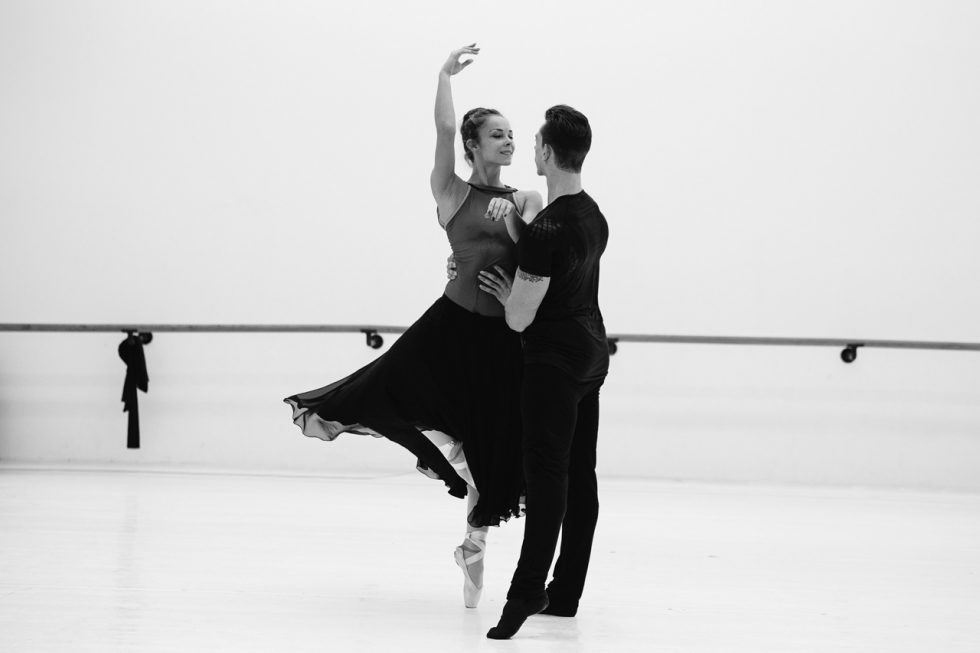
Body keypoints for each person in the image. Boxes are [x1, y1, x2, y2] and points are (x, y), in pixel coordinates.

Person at [283, 44, 542, 609]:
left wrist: (513, 226)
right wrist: (444, 75)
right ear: (473, 145)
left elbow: (536, 257)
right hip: (448, 330)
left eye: (511, 135)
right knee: (381, 395)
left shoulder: (527, 197)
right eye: (497, 135)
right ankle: (464, 502)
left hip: (501, 341)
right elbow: (443, 128)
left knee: (493, 443)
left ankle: (473, 545)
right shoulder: (451, 191)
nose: (508, 142)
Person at [478, 105, 609, 639]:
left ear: (549, 153)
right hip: (591, 356)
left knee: (547, 479)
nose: (530, 149)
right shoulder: (592, 214)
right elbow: (557, 262)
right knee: (580, 476)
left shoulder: (547, 229)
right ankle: (567, 591)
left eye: (535, 143)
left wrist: (508, 294)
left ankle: (528, 589)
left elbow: (518, 318)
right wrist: (520, 230)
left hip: (554, 364)